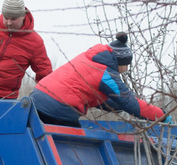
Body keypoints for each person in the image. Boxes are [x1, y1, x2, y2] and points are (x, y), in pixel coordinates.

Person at [27, 32, 169, 126]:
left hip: (36, 99)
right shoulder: (106, 74)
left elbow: (95, 96)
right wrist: (161, 116)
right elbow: (130, 102)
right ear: (119, 62)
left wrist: (118, 106)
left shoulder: (86, 58)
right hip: (59, 108)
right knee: (73, 146)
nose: (126, 70)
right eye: (126, 65)